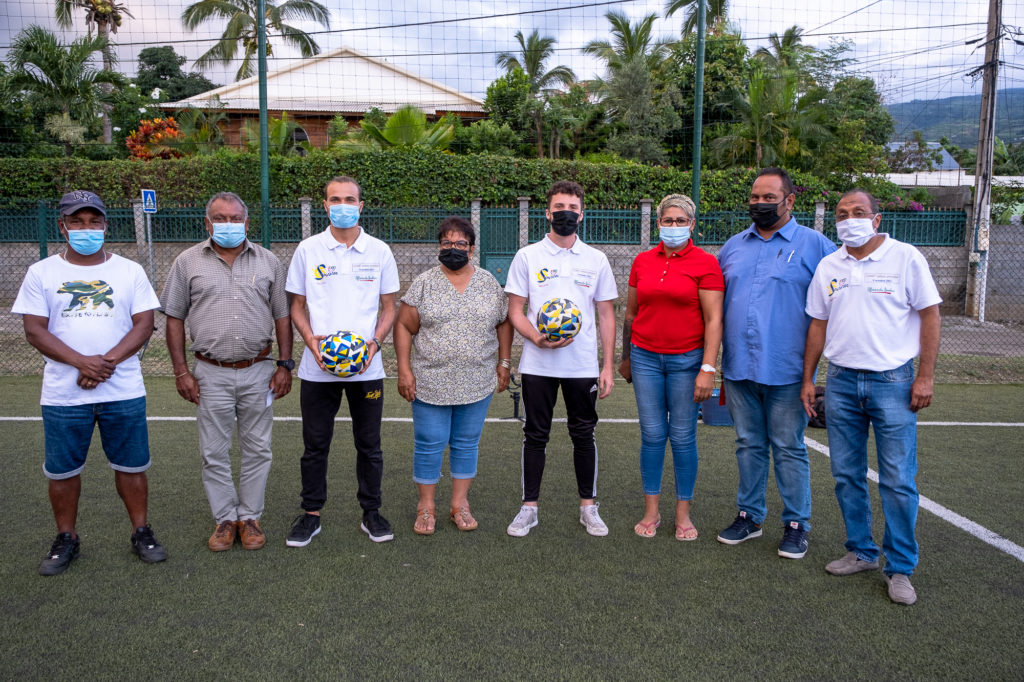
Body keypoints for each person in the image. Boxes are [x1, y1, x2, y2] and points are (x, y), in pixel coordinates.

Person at [12, 190, 167, 575]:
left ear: (105, 225)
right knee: (63, 471)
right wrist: (82, 362)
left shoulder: (129, 271)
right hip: (65, 393)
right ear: (62, 226)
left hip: (123, 388)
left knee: (132, 466)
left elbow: (145, 323)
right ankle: (67, 537)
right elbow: (34, 330)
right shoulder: (42, 272)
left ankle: (141, 531)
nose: (86, 229)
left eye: (93, 222)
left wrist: (105, 364)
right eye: (77, 222)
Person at [802, 189, 941, 605]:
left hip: (894, 382)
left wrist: (925, 377)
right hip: (841, 382)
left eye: (858, 212)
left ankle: (900, 568)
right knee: (846, 475)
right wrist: (808, 378)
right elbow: (817, 325)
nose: (849, 219)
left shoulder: (905, 258)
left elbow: (931, 315)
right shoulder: (830, 264)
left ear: (876, 219)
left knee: (897, 480)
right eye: (842, 214)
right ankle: (861, 551)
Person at [161, 192, 293, 552]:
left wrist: (285, 363)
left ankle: (249, 517)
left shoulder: (269, 262)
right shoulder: (186, 263)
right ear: (207, 223)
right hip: (210, 372)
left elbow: (283, 316)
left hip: (259, 370)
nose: (228, 224)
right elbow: (174, 317)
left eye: (235, 219)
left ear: (247, 223)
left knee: (258, 448)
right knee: (213, 451)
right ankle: (224, 518)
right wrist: (180, 371)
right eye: (220, 218)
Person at [715, 167, 837, 559]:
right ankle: (749, 516)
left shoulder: (817, 246)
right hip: (739, 368)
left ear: (790, 201)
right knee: (748, 444)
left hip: (789, 371)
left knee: (788, 446)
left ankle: (797, 524)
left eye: (769, 197)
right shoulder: (733, 247)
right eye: (755, 197)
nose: (760, 204)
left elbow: (840, 302)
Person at [285, 176, 399, 546]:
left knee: (369, 445)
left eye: (350, 199)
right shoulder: (308, 250)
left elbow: (389, 308)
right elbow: (296, 307)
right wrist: (311, 342)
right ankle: (311, 514)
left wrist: (374, 345)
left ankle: (371, 512)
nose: (343, 205)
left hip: (367, 369)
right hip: (318, 369)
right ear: (325, 205)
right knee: (315, 444)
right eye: (335, 199)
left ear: (361, 205)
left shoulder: (379, 251)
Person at [503, 180, 618, 538]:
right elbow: (515, 311)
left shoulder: (596, 259)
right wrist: (537, 337)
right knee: (535, 435)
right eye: (558, 207)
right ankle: (528, 508)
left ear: (581, 214)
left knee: (583, 434)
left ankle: (589, 508)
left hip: (581, 366)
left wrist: (607, 365)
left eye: (572, 208)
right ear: (548, 212)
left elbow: (606, 315)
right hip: (538, 364)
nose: (565, 213)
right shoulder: (528, 256)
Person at [394, 216, 513, 534]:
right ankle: (426, 507)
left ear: (472, 249)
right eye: (447, 243)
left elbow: (504, 322)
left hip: (477, 380)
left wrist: (504, 362)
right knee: (429, 442)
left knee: (466, 443)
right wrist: (403, 370)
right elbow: (404, 325)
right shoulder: (424, 283)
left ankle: (460, 505)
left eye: (461, 243)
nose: (453, 248)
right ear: (439, 247)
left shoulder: (489, 283)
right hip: (430, 380)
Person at [618, 194, 723, 541]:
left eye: (681, 221)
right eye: (668, 221)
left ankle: (682, 514)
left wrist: (708, 367)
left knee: (681, 437)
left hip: (686, 360)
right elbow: (631, 314)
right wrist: (626, 357)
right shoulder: (643, 261)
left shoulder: (706, 263)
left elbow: (714, 320)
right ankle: (651, 512)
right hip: (645, 358)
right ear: (658, 223)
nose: (673, 226)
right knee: (651, 436)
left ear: (692, 225)